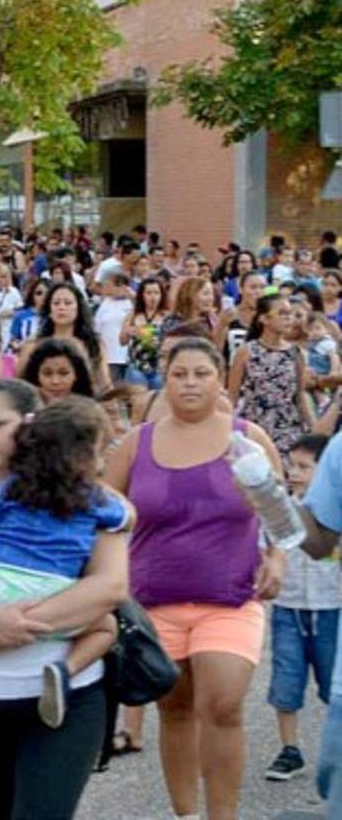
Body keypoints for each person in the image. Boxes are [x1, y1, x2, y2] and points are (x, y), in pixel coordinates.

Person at [0, 379, 129, 820]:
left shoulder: (92, 495)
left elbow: (110, 587)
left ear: (32, 426)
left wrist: (17, 624)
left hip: (68, 700)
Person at [105, 337, 287, 820]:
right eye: (179, 373)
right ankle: (185, 813)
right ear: (165, 378)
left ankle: (222, 816)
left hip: (230, 597)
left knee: (223, 704)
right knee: (175, 709)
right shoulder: (135, 444)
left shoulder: (247, 439)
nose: (189, 383)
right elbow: (101, 512)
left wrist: (277, 559)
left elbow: (281, 516)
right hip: (154, 602)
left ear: (219, 378)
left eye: (200, 374)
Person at [266, 434, 339, 782]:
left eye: (303, 467)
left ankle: (333, 746)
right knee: (286, 679)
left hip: (331, 608)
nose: (294, 473)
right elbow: (270, 547)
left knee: (332, 685)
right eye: (290, 465)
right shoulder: (281, 507)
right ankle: (290, 748)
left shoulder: (334, 515)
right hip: (288, 607)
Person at [228, 293, 313, 466]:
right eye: (282, 313)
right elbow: (232, 397)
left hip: (288, 428)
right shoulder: (246, 352)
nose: (288, 318)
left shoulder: (296, 353)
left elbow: (300, 395)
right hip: (256, 427)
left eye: (290, 313)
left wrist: (312, 428)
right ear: (264, 319)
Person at [20, 283, 108, 391]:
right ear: (49, 309)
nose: (61, 307)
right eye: (56, 303)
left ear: (78, 308)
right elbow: (21, 384)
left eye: (68, 303)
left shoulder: (93, 344)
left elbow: (105, 383)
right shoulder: (33, 345)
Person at [121, 277, 168, 390]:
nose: (153, 297)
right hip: (136, 365)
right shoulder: (133, 315)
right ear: (142, 295)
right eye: (149, 293)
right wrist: (128, 331)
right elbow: (122, 341)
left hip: (158, 367)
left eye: (156, 293)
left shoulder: (166, 316)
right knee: (138, 398)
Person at [21, 337, 97, 403]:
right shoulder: (22, 412)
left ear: (76, 375)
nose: (55, 381)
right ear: (36, 375)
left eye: (63, 373)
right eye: (47, 374)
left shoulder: (89, 413)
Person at [95, 272, 135, 383]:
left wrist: (131, 297)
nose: (106, 288)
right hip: (109, 356)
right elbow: (97, 328)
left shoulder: (132, 303)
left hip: (128, 356)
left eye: (109, 285)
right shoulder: (105, 303)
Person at [9, 276, 48, 354]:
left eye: (47, 293)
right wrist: (18, 346)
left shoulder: (53, 316)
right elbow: (13, 340)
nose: (43, 297)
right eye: (39, 293)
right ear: (32, 295)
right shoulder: (21, 315)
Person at [0, 263, 23, 348]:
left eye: (3, 277)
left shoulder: (14, 292)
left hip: (8, 328)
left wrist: (12, 312)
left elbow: (21, 310)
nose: (0, 280)